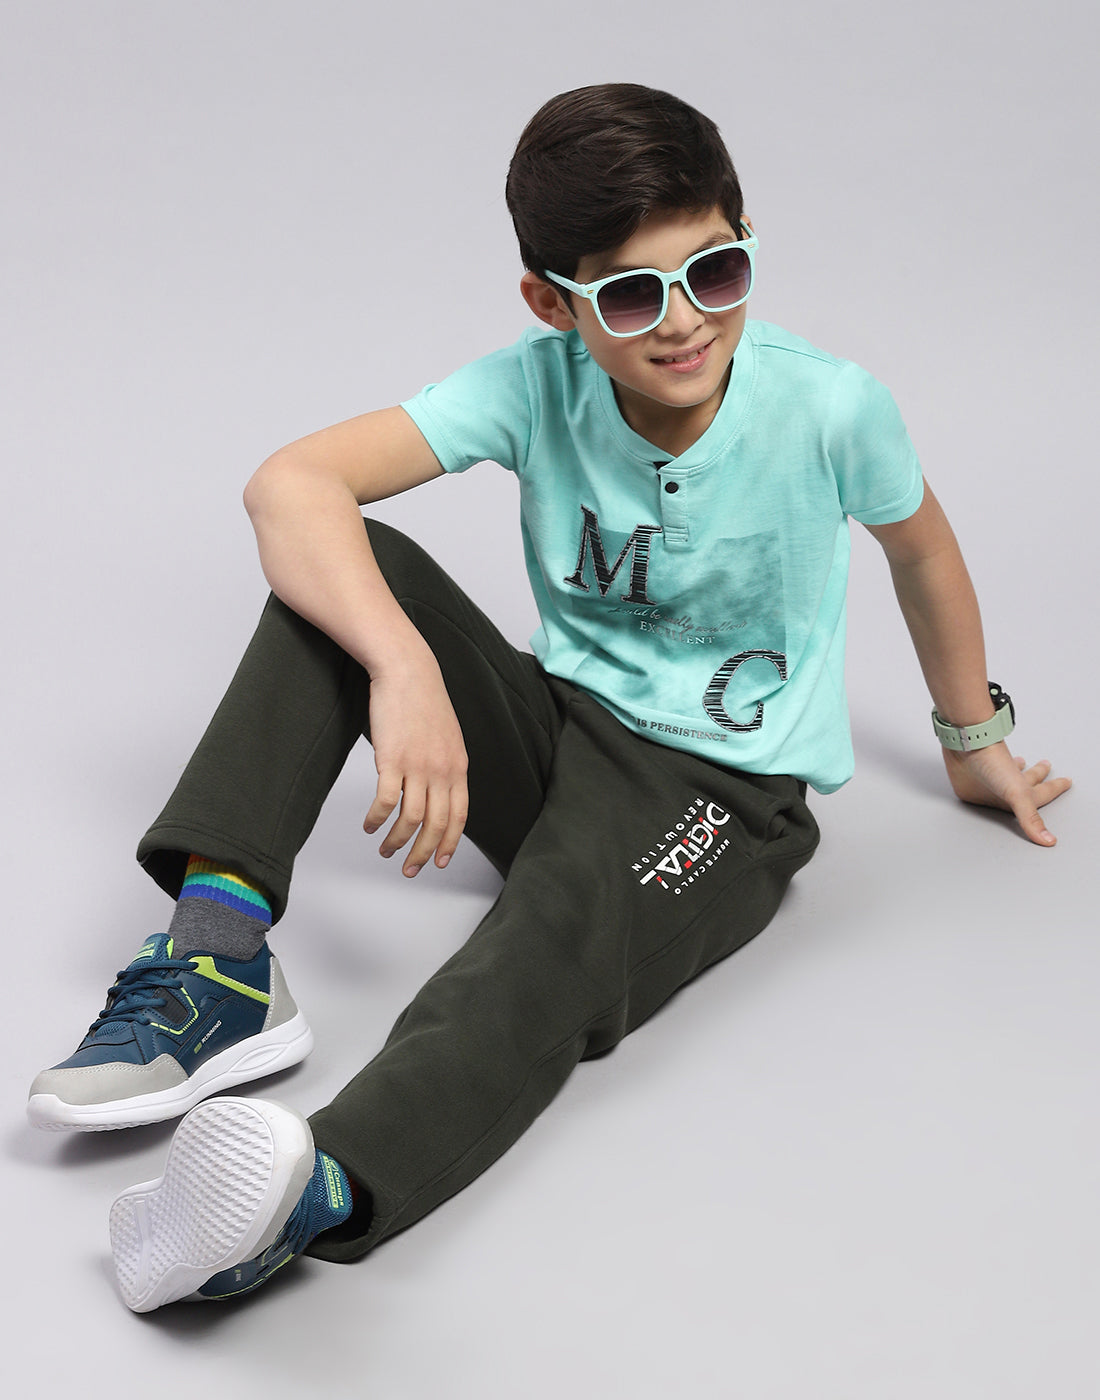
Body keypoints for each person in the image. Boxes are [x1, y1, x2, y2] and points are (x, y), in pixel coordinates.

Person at [29, 83, 1070, 1313]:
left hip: (721, 794)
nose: (683, 322)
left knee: (544, 941)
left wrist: (971, 736)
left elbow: (921, 551)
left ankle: (315, 1188)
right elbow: (289, 485)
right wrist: (404, 667)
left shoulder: (829, 404)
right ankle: (218, 964)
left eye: (715, 272)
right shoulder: (535, 384)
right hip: (555, 725)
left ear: (745, 244)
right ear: (551, 303)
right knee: (348, 577)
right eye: (630, 295)